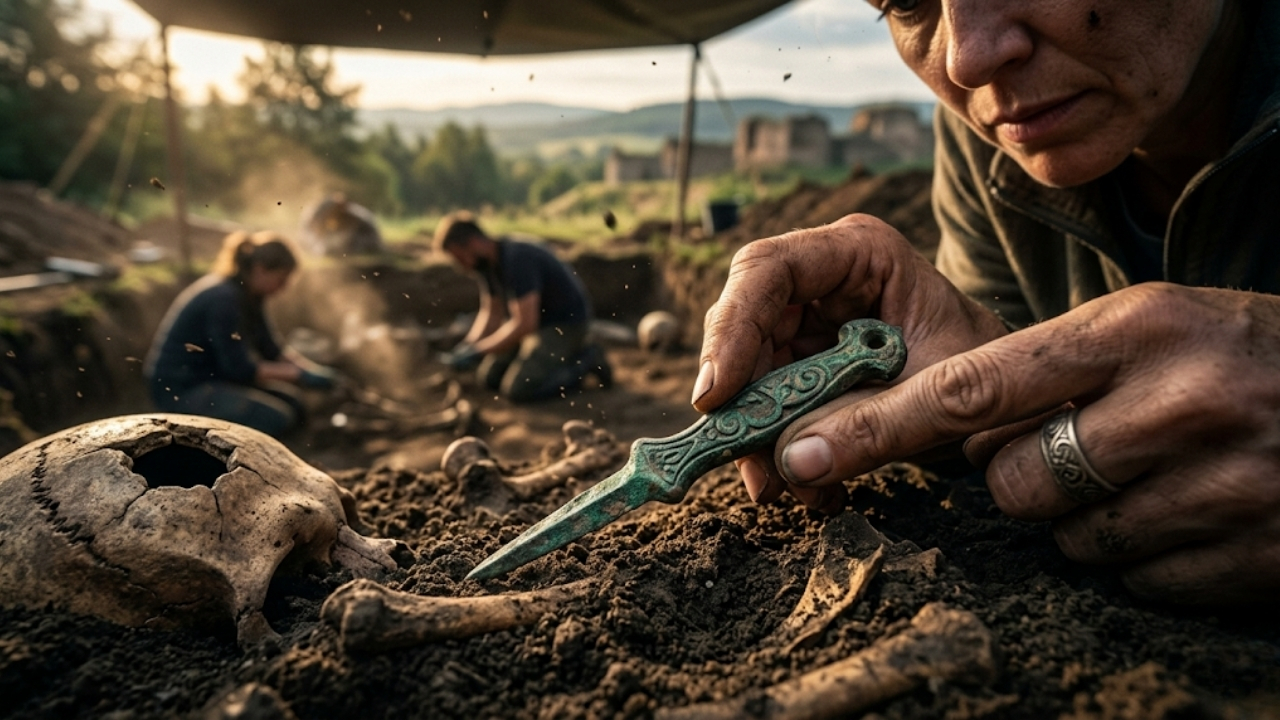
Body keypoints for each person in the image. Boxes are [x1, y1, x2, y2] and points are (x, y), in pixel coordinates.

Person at [694, 0, 1279, 605]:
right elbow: (1010, 443)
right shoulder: (1001, 138)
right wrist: (976, 378)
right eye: (905, 3)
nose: (966, 60)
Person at [145, 231, 338, 436]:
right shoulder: (223, 300)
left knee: (294, 404)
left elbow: (271, 350)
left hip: (214, 382)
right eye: (281, 280)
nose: (282, 289)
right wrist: (299, 375)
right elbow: (239, 369)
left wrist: (313, 370)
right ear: (260, 269)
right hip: (182, 389)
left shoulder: (249, 297)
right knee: (275, 419)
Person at [433, 212, 612, 402]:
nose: (463, 266)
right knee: (489, 378)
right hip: (538, 325)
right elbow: (491, 312)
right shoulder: (487, 265)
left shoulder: (518, 259)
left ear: (474, 243)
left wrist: (479, 351)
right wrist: (468, 346)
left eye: (461, 258)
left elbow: (526, 323)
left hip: (565, 325)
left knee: (520, 389)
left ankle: (586, 361)